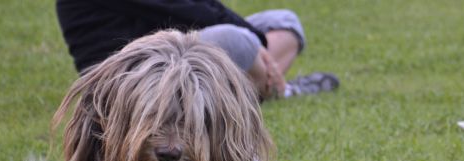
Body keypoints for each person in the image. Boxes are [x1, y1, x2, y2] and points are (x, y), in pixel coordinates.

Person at [55, 0, 339, 100]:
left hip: (176, 51)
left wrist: (254, 38)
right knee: (234, 39)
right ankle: (278, 89)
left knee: (283, 21)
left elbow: (204, 6)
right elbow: (182, 10)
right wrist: (250, 39)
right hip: (137, 76)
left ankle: (253, 85)